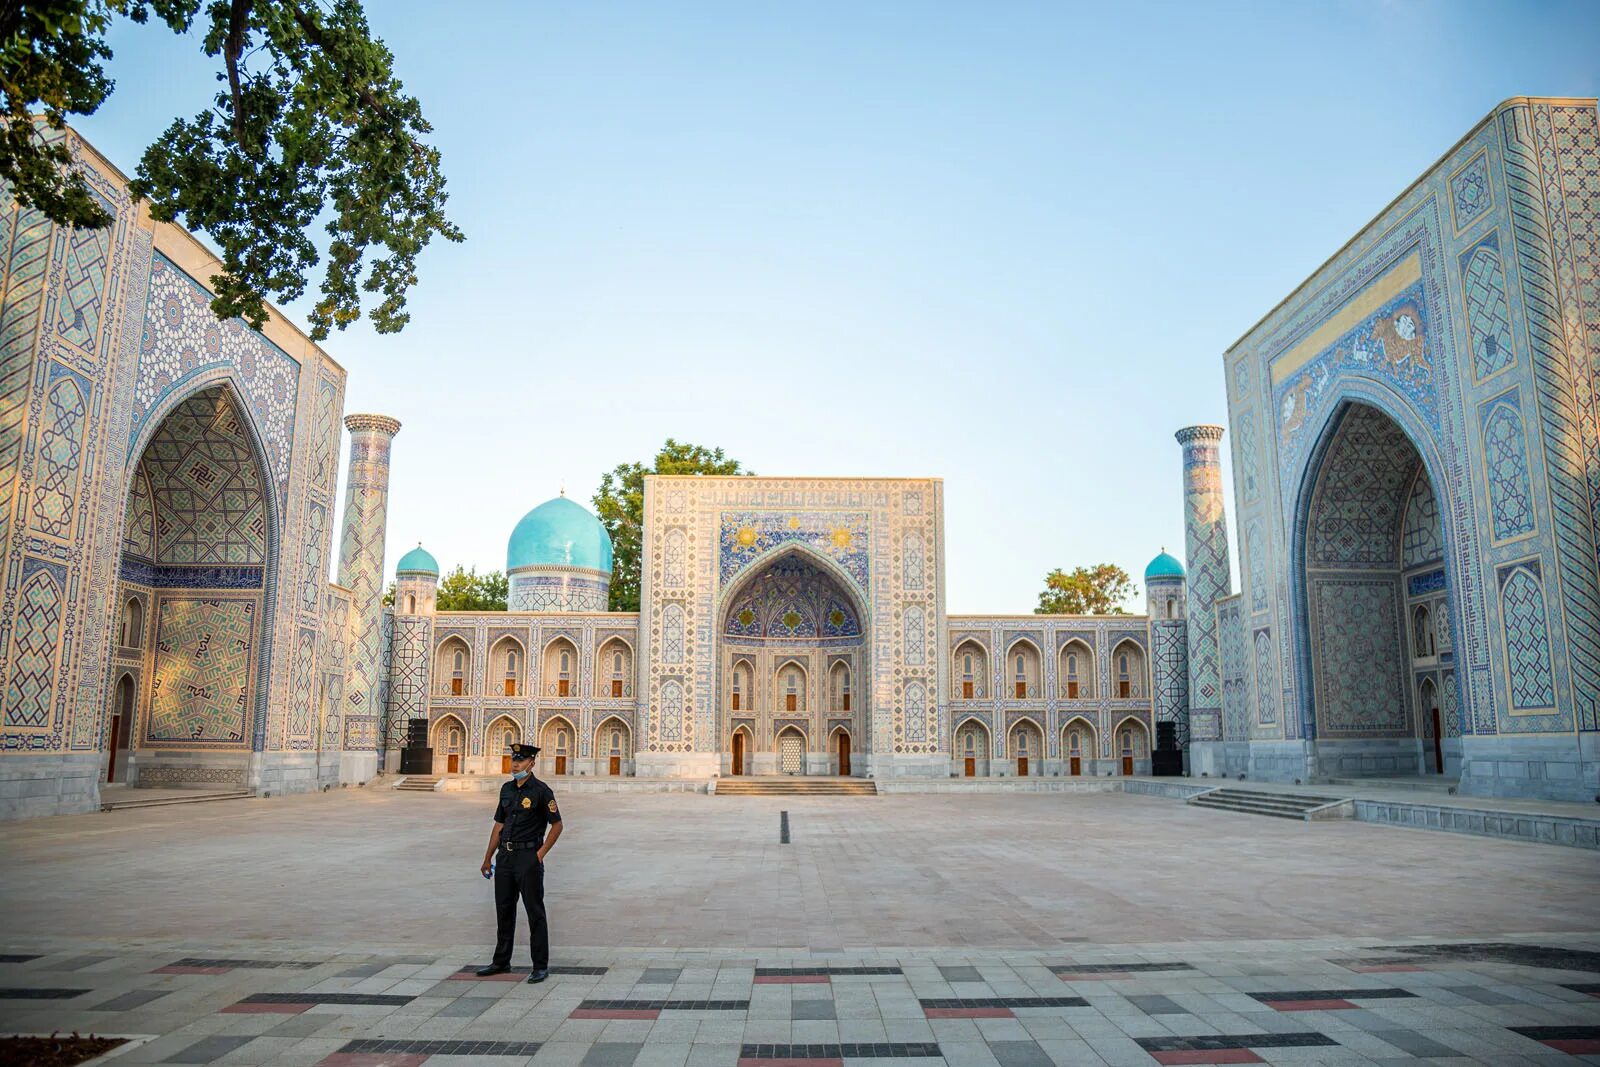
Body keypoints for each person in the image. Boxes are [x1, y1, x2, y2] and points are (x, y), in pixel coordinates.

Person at [475, 742, 562, 981]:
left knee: (535, 912)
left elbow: (557, 824)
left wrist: (540, 854)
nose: (515, 764)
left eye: (521, 760)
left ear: (532, 763)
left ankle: (540, 966)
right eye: (514, 760)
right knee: (504, 910)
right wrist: (487, 857)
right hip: (505, 857)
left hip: (528, 858)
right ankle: (501, 961)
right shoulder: (507, 789)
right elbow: (499, 825)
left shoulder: (542, 791)